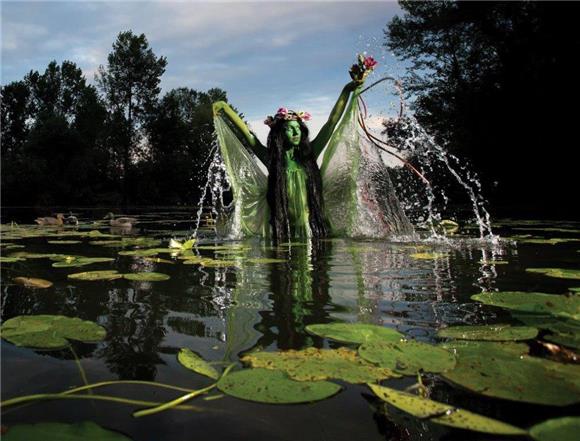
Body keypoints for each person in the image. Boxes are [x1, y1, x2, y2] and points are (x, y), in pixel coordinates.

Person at [213, 60, 369, 243]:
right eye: (289, 128)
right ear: (280, 133)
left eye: (298, 128)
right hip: (282, 230)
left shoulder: (309, 154)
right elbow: (247, 134)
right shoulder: (272, 159)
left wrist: (347, 89)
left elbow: (331, 122)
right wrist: (224, 106)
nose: (296, 132)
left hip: (313, 229)